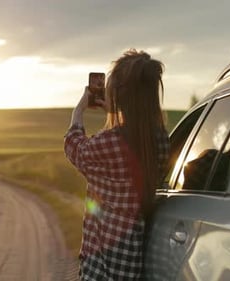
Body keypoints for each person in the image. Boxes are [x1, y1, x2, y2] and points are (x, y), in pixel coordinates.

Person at [64, 49, 170, 280]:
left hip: (103, 264)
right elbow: (129, 139)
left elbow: (75, 149)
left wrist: (78, 111)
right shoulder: (161, 138)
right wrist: (117, 111)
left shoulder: (111, 142)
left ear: (118, 96)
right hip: (133, 257)